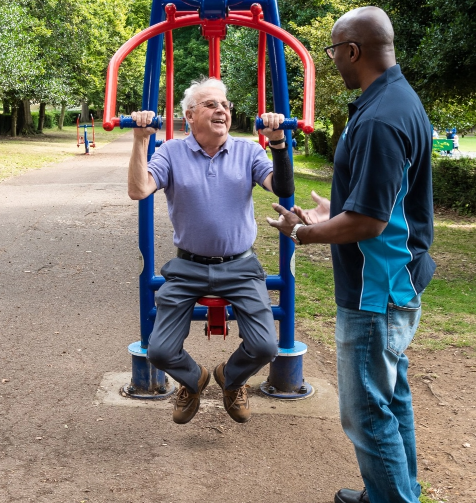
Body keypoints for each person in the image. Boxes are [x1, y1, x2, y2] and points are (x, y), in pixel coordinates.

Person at [266, 7, 435, 503]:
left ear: (353, 51)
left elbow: (369, 222)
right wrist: (331, 211)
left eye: (333, 49)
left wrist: (305, 233)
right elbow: (378, 202)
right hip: (395, 282)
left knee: (364, 411)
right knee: (392, 397)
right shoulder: (394, 100)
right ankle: (396, 490)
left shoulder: (382, 118)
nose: (333, 59)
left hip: (377, 294)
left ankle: (393, 498)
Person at [128, 77, 294, 425]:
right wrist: (141, 140)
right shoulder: (172, 152)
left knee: (266, 347)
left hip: (240, 265)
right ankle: (195, 378)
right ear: (189, 115)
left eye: (225, 105)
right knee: (158, 350)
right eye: (211, 104)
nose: (222, 110)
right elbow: (139, 190)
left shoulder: (249, 151)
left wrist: (278, 143)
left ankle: (231, 378)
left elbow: (281, 186)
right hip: (187, 267)